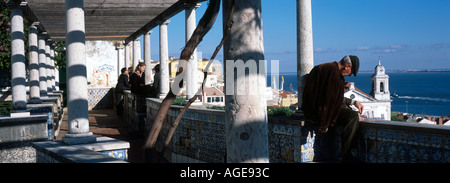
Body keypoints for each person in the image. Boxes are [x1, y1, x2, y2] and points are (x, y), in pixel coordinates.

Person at [301, 55, 364, 162]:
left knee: (347, 115)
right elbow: (333, 100)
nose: (349, 76)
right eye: (351, 72)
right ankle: (347, 154)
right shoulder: (334, 74)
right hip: (319, 112)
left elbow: (334, 96)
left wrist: (354, 102)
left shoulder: (325, 68)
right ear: (347, 66)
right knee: (352, 117)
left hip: (312, 110)